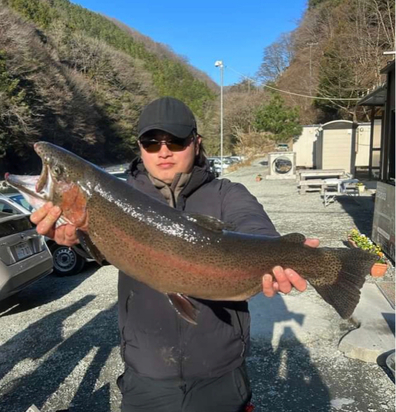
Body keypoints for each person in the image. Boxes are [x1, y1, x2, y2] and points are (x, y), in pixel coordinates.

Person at [31, 97, 319, 412]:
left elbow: (256, 230)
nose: (163, 150)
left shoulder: (228, 194)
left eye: (176, 141)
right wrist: (76, 236)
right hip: (146, 376)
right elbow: (101, 249)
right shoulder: (117, 198)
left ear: (196, 143)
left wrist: (280, 256)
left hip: (221, 375)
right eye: (151, 142)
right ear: (140, 147)